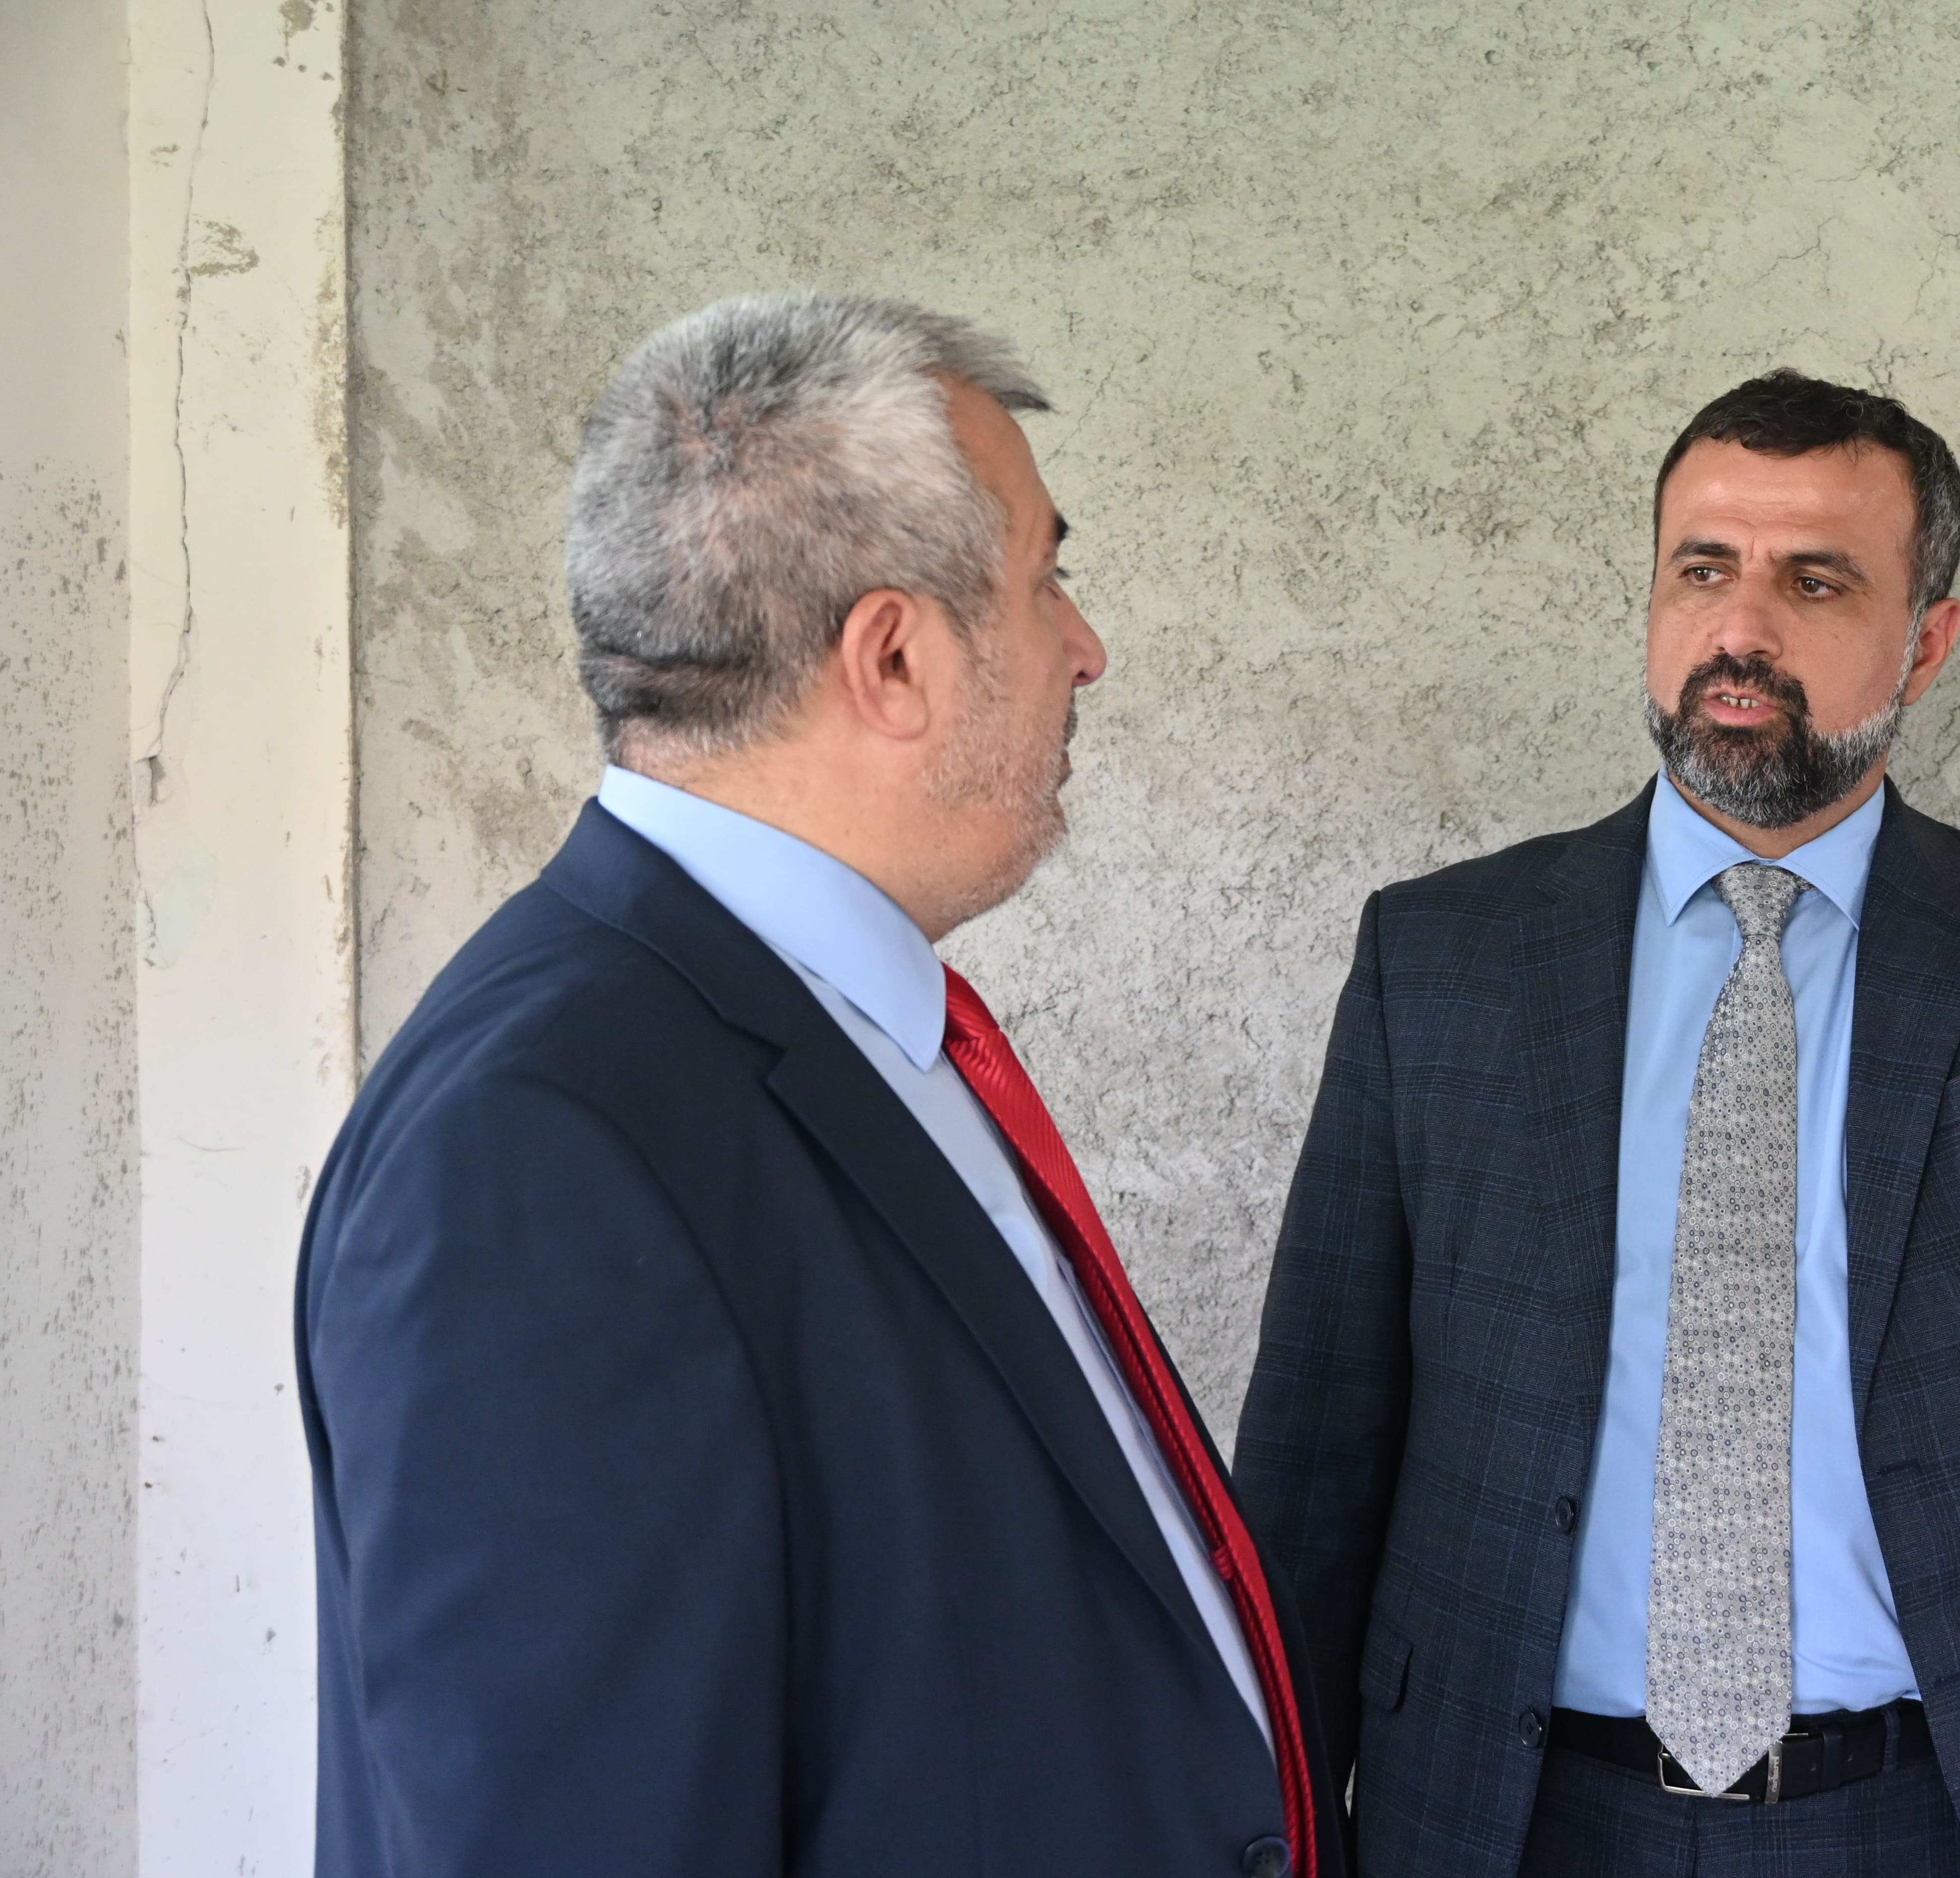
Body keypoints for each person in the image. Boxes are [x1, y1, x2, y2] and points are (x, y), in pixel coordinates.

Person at [1234, 370, 1960, 1877]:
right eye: (1703, 569)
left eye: (1816, 581)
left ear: (1929, 641)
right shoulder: (1445, 957)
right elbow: (1317, 1447)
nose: (1742, 628)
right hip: (1523, 1816)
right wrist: (1269, 1816)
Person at [297, 292, 1338, 1878]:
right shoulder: (535, 1156)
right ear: (895, 656)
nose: (1086, 648)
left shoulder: (817, 1019)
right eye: (1047, 577)